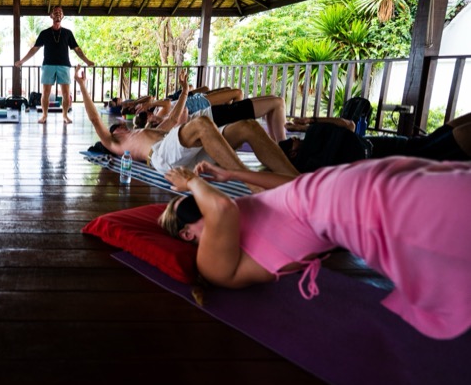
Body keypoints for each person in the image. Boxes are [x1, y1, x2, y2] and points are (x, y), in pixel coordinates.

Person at [160, 158, 471, 340]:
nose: (201, 203)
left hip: (339, 184)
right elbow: (222, 207)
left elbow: (295, 184)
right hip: (352, 204)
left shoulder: (230, 218)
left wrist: (233, 174)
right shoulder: (211, 265)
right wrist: (191, 185)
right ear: (187, 235)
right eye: (193, 207)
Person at [75, 66, 298, 180]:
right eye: (117, 128)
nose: (121, 126)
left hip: (186, 153)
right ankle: (252, 183)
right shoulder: (116, 143)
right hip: (164, 156)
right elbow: (95, 119)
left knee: (248, 126)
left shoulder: (143, 130)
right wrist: (83, 85)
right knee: (201, 122)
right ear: (115, 132)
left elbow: (173, 118)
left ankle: (295, 181)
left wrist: (184, 91)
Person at [279, 112, 471, 172]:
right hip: (401, 158)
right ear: (293, 154)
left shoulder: (316, 138)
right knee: (453, 137)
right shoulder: (310, 164)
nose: (293, 138)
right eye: (291, 143)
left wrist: (311, 121)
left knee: (451, 128)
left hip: (400, 144)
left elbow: (349, 125)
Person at [15, 6, 95, 124]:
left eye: (60, 12)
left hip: (64, 66)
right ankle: (44, 115)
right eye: (55, 12)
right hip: (48, 65)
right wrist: (22, 61)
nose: (58, 14)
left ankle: (65, 116)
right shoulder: (45, 33)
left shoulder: (68, 33)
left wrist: (87, 61)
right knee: (46, 92)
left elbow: (77, 49)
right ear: (51, 16)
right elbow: (34, 49)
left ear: (62, 16)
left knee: (66, 93)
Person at [135, 92, 288, 142]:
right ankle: (282, 147)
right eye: (151, 120)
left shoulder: (165, 124)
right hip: (216, 117)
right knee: (277, 102)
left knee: (275, 102)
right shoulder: (170, 127)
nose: (151, 117)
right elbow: (182, 114)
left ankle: (280, 146)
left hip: (216, 114)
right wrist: (185, 90)